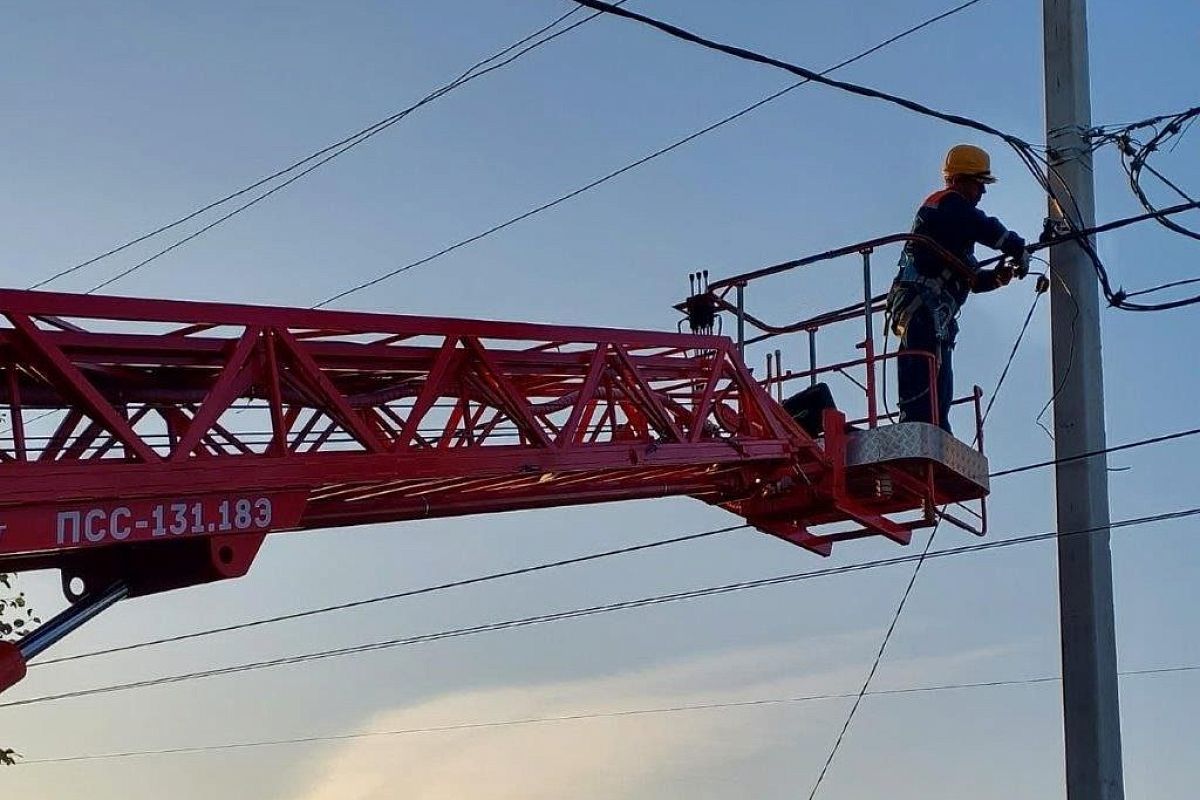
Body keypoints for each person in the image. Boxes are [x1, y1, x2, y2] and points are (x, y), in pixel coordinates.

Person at [887, 144, 1030, 433]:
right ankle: (918, 428)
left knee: (939, 382)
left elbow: (971, 276)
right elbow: (983, 226)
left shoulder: (952, 233)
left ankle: (936, 429)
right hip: (920, 306)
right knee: (922, 378)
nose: (983, 192)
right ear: (963, 179)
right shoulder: (946, 204)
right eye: (980, 184)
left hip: (934, 312)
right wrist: (1015, 245)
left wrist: (998, 278)